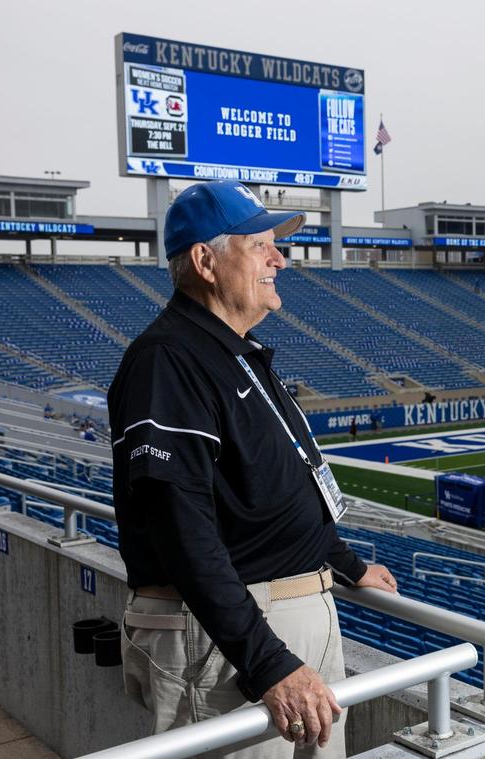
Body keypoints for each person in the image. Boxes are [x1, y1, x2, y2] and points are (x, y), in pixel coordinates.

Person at [108, 180, 397, 759]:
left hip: (286, 618)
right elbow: (182, 530)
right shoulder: (169, 359)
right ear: (205, 261)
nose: (279, 260)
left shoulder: (234, 349)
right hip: (236, 642)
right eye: (260, 244)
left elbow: (281, 480)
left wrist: (344, 562)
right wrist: (266, 661)